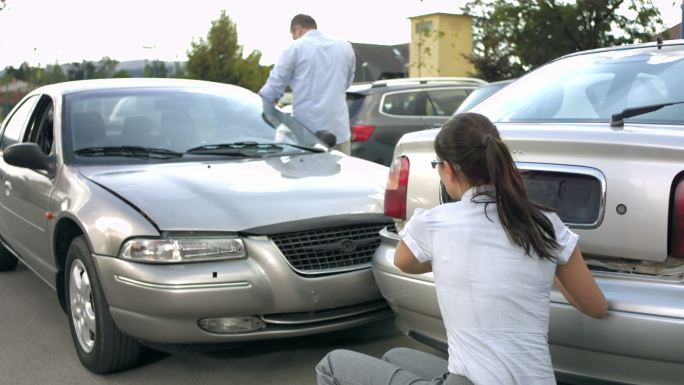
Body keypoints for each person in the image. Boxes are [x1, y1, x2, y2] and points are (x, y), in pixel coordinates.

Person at [316, 112, 608, 385]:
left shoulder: (435, 223)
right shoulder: (545, 226)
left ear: (450, 170)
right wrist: (542, 259)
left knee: (332, 364)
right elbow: (596, 307)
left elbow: (406, 262)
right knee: (396, 357)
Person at [259, 14, 355, 154]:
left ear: (297, 30)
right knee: (343, 173)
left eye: (293, 35)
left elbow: (272, 89)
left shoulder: (294, 48)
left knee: (310, 174)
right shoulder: (345, 47)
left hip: (308, 134)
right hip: (339, 131)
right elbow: (346, 83)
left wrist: (253, 105)